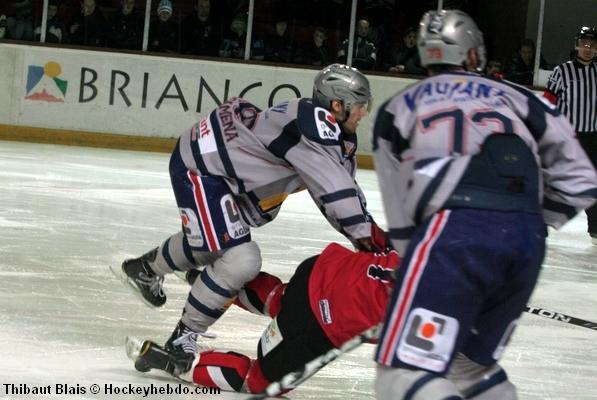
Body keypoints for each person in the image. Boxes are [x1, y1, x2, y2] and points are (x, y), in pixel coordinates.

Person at [371, 9, 597, 400]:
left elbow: (400, 211)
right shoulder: (519, 97)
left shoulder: (398, 107)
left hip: (453, 236)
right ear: (474, 54)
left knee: (403, 373)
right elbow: (581, 180)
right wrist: (531, 220)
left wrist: (410, 264)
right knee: (470, 368)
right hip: (525, 239)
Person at [115, 64, 387, 369]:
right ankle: (182, 339)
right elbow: (335, 194)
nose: (364, 113)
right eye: (360, 105)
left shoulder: (331, 129)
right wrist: (372, 240)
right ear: (337, 105)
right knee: (239, 259)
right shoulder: (316, 127)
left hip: (220, 167)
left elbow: (343, 192)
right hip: (204, 166)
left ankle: (145, 269)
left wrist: (369, 234)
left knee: (213, 243)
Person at [126, 242, 400, 393]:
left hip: (321, 267)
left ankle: (211, 282)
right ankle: (175, 361)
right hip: (321, 318)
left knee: (285, 300)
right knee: (263, 381)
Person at [544, 26, 597, 244]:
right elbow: (548, 103)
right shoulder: (562, 72)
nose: (588, 48)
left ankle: (596, 229)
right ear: (577, 45)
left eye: (592, 44)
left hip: (593, 139)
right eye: (584, 43)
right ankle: (539, 225)